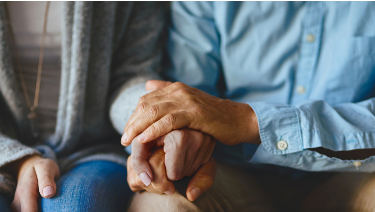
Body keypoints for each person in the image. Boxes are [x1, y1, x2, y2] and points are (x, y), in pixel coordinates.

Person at [120, 1, 375, 211]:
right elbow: (186, 100)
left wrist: (248, 122)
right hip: (226, 172)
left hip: (347, 173)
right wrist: (173, 141)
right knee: (162, 207)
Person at [0, 1, 169, 211]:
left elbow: (132, 75)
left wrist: (147, 122)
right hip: (4, 148)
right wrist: (17, 159)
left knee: (77, 206)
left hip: (94, 147)